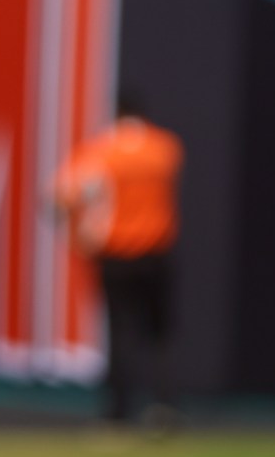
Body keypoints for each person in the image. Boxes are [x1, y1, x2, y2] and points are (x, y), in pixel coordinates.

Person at [53, 92, 184, 429]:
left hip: (116, 256)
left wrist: (76, 233)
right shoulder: (165, 148)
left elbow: (61, 196)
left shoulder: (101, 152)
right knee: (159, 332)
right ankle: (163, 407)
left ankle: (119, 412)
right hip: (157, 254)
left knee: (121, 332)